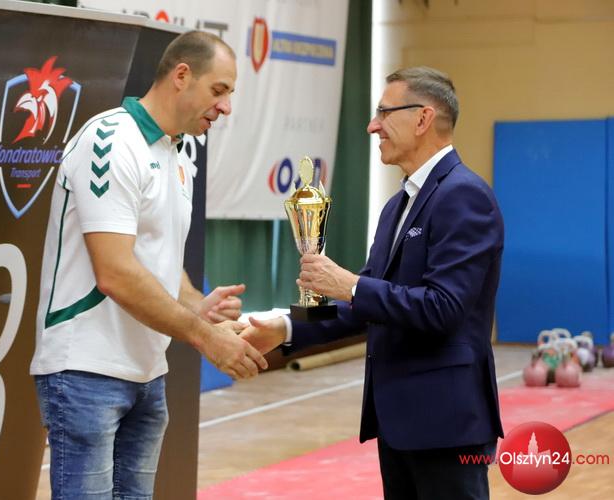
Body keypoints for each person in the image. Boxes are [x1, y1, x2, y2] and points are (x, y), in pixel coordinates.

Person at [241, 66, 504, 499]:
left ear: (422, 118)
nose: (372, 126)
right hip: (398, 422)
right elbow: (363, 308)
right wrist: (285, 328)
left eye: (384, 112)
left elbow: (443, 308)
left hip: (446, 423)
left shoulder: (464, 195)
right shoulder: (396, 206)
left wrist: (350, 285)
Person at [30, 30, 267, 499]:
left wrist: (199, 306)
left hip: (147, 372)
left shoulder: (177, 153)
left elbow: (160, 263)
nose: (225, 107)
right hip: (85, 370)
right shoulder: (110, 140)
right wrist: (205, 338)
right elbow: (116, 273)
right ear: (181, 75)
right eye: (219, 90)